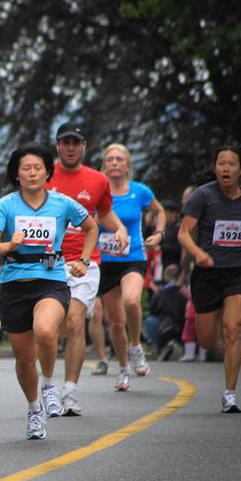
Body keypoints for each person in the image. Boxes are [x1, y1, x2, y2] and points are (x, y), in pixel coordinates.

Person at [0, 142, 97, 439]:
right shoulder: (6, 205)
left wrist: (84, 259)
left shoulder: (62, 203)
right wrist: (9, 245)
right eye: (26, 168)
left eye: (38, 168)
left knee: (45, 331)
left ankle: (49, 384)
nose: (32, 173)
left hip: (51, 280)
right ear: (17, 175)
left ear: (48, 172)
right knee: (22, 359)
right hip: (14, 284)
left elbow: (91, 227)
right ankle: (34, 409)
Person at [178, 146, 241, 412]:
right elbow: (184, 233)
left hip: (239, 271)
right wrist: (198, 254)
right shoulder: (202, 196)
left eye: (231, 164)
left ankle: (229, 393)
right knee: (207, 341)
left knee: (233, 329)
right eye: (221, 163)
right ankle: (219, 320)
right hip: (208, 275)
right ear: (216, 167)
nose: (226, 168)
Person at [45, 123, 128, 416]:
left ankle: (69, 392)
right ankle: (47, 386)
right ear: (57, 145)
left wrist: (120, 229)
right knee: (50, 330)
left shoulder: (97, 180)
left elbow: (103, 213)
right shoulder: (44, 175)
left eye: (75, 142)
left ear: (84, 146)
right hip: (48, 261)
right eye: (65, 142)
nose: (70, 147)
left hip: (84, 260)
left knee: (76, 321)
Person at [97, 143, 165, 391]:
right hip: (105, 262)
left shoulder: (139, 191)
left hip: (133, 257)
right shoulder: (98, 191)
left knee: (132, 301)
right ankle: (124, 368)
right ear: (104, 165)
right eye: (110, 159)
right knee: (115, 322)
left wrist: (158, 233)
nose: (115, 163)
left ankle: (136, 346)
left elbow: (159, 212)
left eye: (119, 159)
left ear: (127, 165)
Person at [144, 264, 188, 360]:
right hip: (182, 323)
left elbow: (153, 310)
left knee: (150, 321)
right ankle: (175, 346)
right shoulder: (184, 292)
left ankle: (160, 348)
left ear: (165, 277)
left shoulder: (160, 293)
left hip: (164, 324)